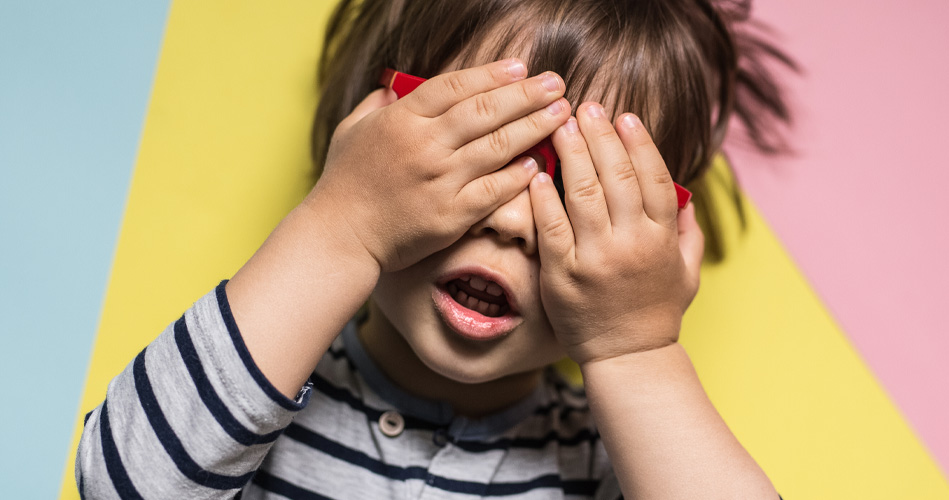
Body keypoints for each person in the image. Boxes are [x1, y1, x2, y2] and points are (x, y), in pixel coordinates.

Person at [76, 0, 792, 498]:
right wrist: (341, 223)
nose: (514, 223)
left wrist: (636, 349)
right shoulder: (255, 383)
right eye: (480, 151)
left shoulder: (612, 467)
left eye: (583, 191)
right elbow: (123, 483)